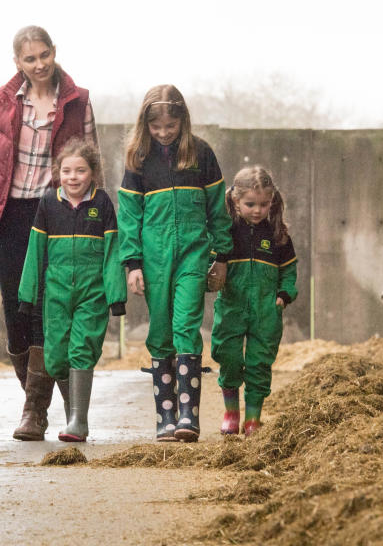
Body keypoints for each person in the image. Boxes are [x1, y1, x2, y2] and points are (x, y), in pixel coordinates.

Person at [0, 26, 100, 441]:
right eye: (30, 59)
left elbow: (91, 161)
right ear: (17, 62)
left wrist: (92, 219)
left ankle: (34, 412)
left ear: (54, 53)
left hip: (55, 215)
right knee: (16, 309)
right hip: (8, 214)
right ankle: (40, 400)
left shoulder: (78, 101)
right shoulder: (7, 100)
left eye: (44, 55)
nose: (39, 64)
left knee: (47, 306)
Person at [116, 84, 233, 442]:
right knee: (161, 328)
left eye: (171, 126)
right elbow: (129, 216)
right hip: (153, 257)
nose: (164, 133)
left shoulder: (201, 154)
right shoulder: (138, 159)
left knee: (187, 323)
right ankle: (164, 416)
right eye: (156, 127)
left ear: (183, 120)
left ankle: (188, 416)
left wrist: (222, 256)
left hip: (193, 256)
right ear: (145, 124)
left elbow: (218, 209)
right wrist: (132, 263)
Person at [17, 138, 124, 442]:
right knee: (55, 356)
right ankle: (72, 415)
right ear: (58, 173)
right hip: (57, 293)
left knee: (81, 350)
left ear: (93, 173)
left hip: (92, 292)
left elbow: (112, 252)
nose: (73, 177)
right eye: (67, 171)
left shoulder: (102, 204)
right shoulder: (49, 203)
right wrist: (28, 295)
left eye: (80, 170)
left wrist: (115, 295)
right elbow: (35, 251)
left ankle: (79, 420)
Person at [210, 166, 298, 437]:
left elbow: (289, 271)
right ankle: (231, 413)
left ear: (272, 201)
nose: (257, 210)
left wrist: (284, 295)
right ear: (235, 200)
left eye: (263, 204)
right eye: (250, 204)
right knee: (229, 357)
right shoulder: (225, 232)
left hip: (266, 310)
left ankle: (253, 418)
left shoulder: (278, 235)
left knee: (260, 362)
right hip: (232, 306)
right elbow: (210, 264)